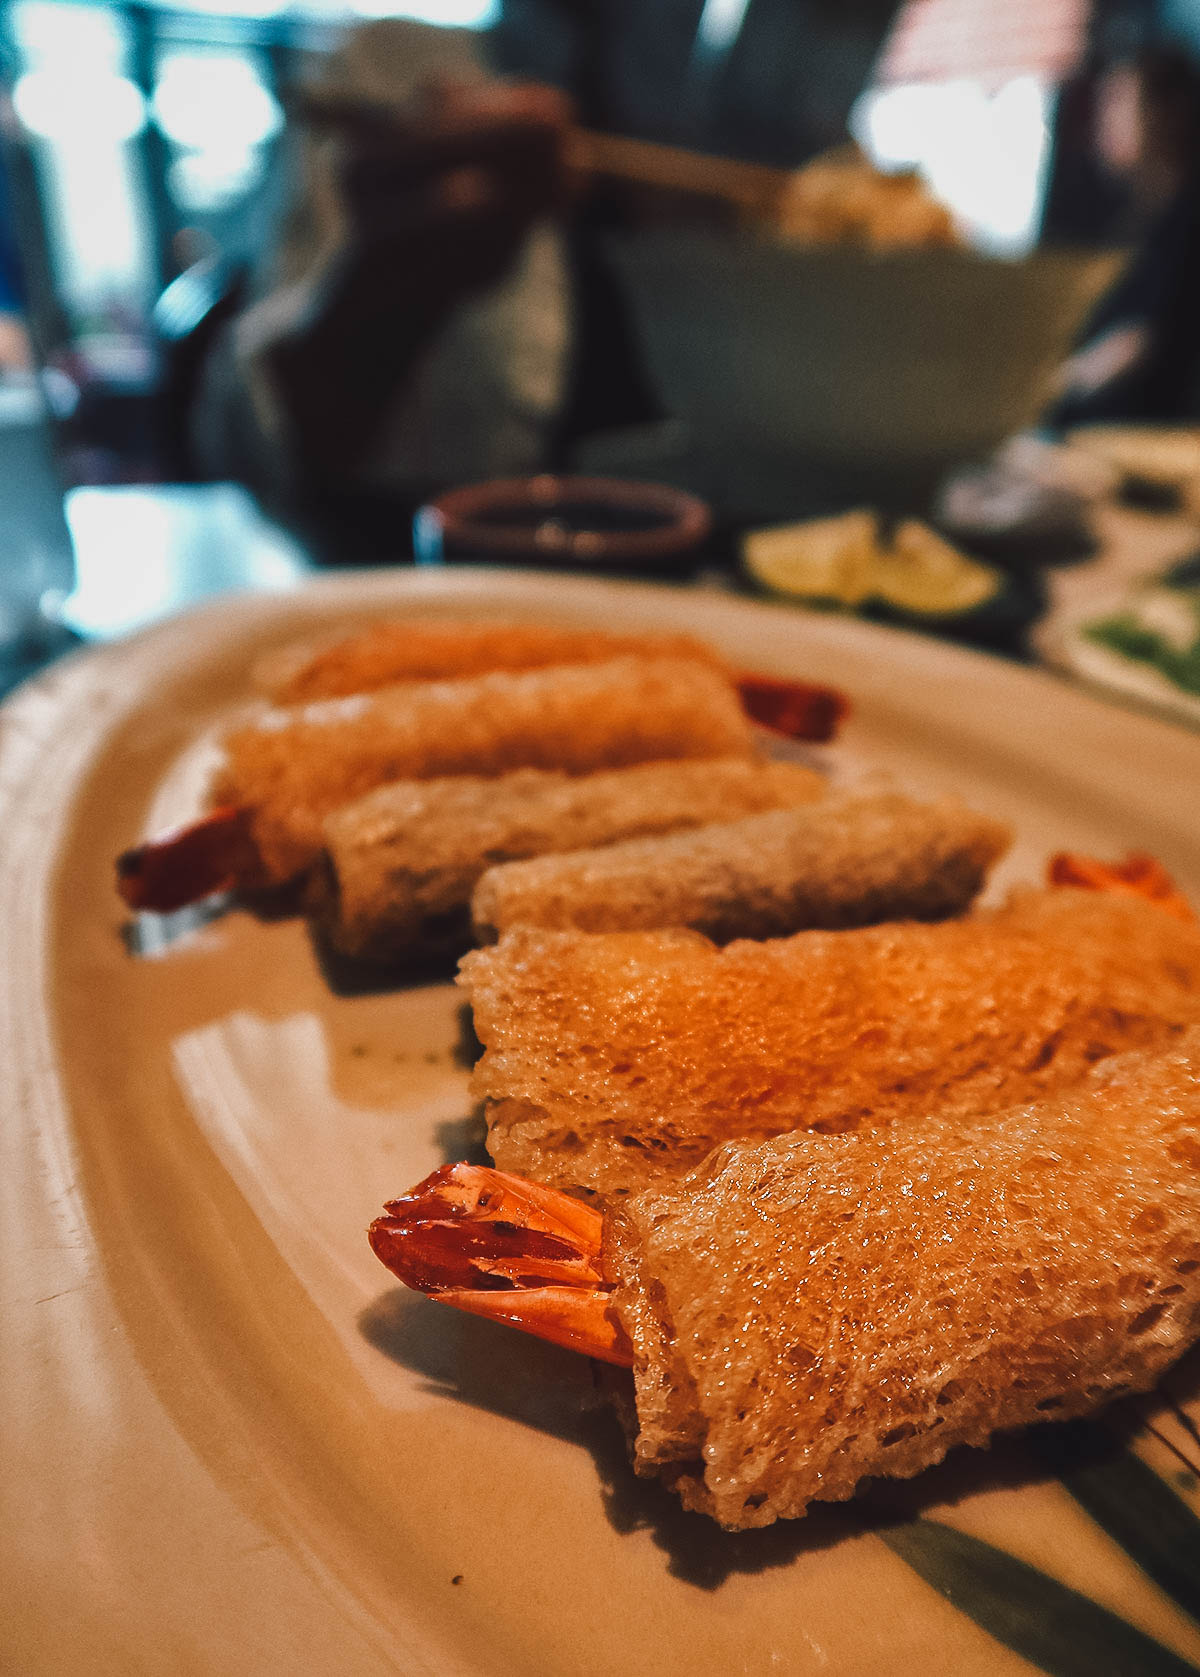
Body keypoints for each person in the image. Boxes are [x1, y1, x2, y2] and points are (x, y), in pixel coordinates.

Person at [1047, 45, 1200, 430]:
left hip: (1148, 444)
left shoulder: (1185, 221)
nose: (1103, 121)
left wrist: (1048, 387)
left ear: (1168, 113)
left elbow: (1141, 340)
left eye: (1119, 103)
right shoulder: (1132, 218)